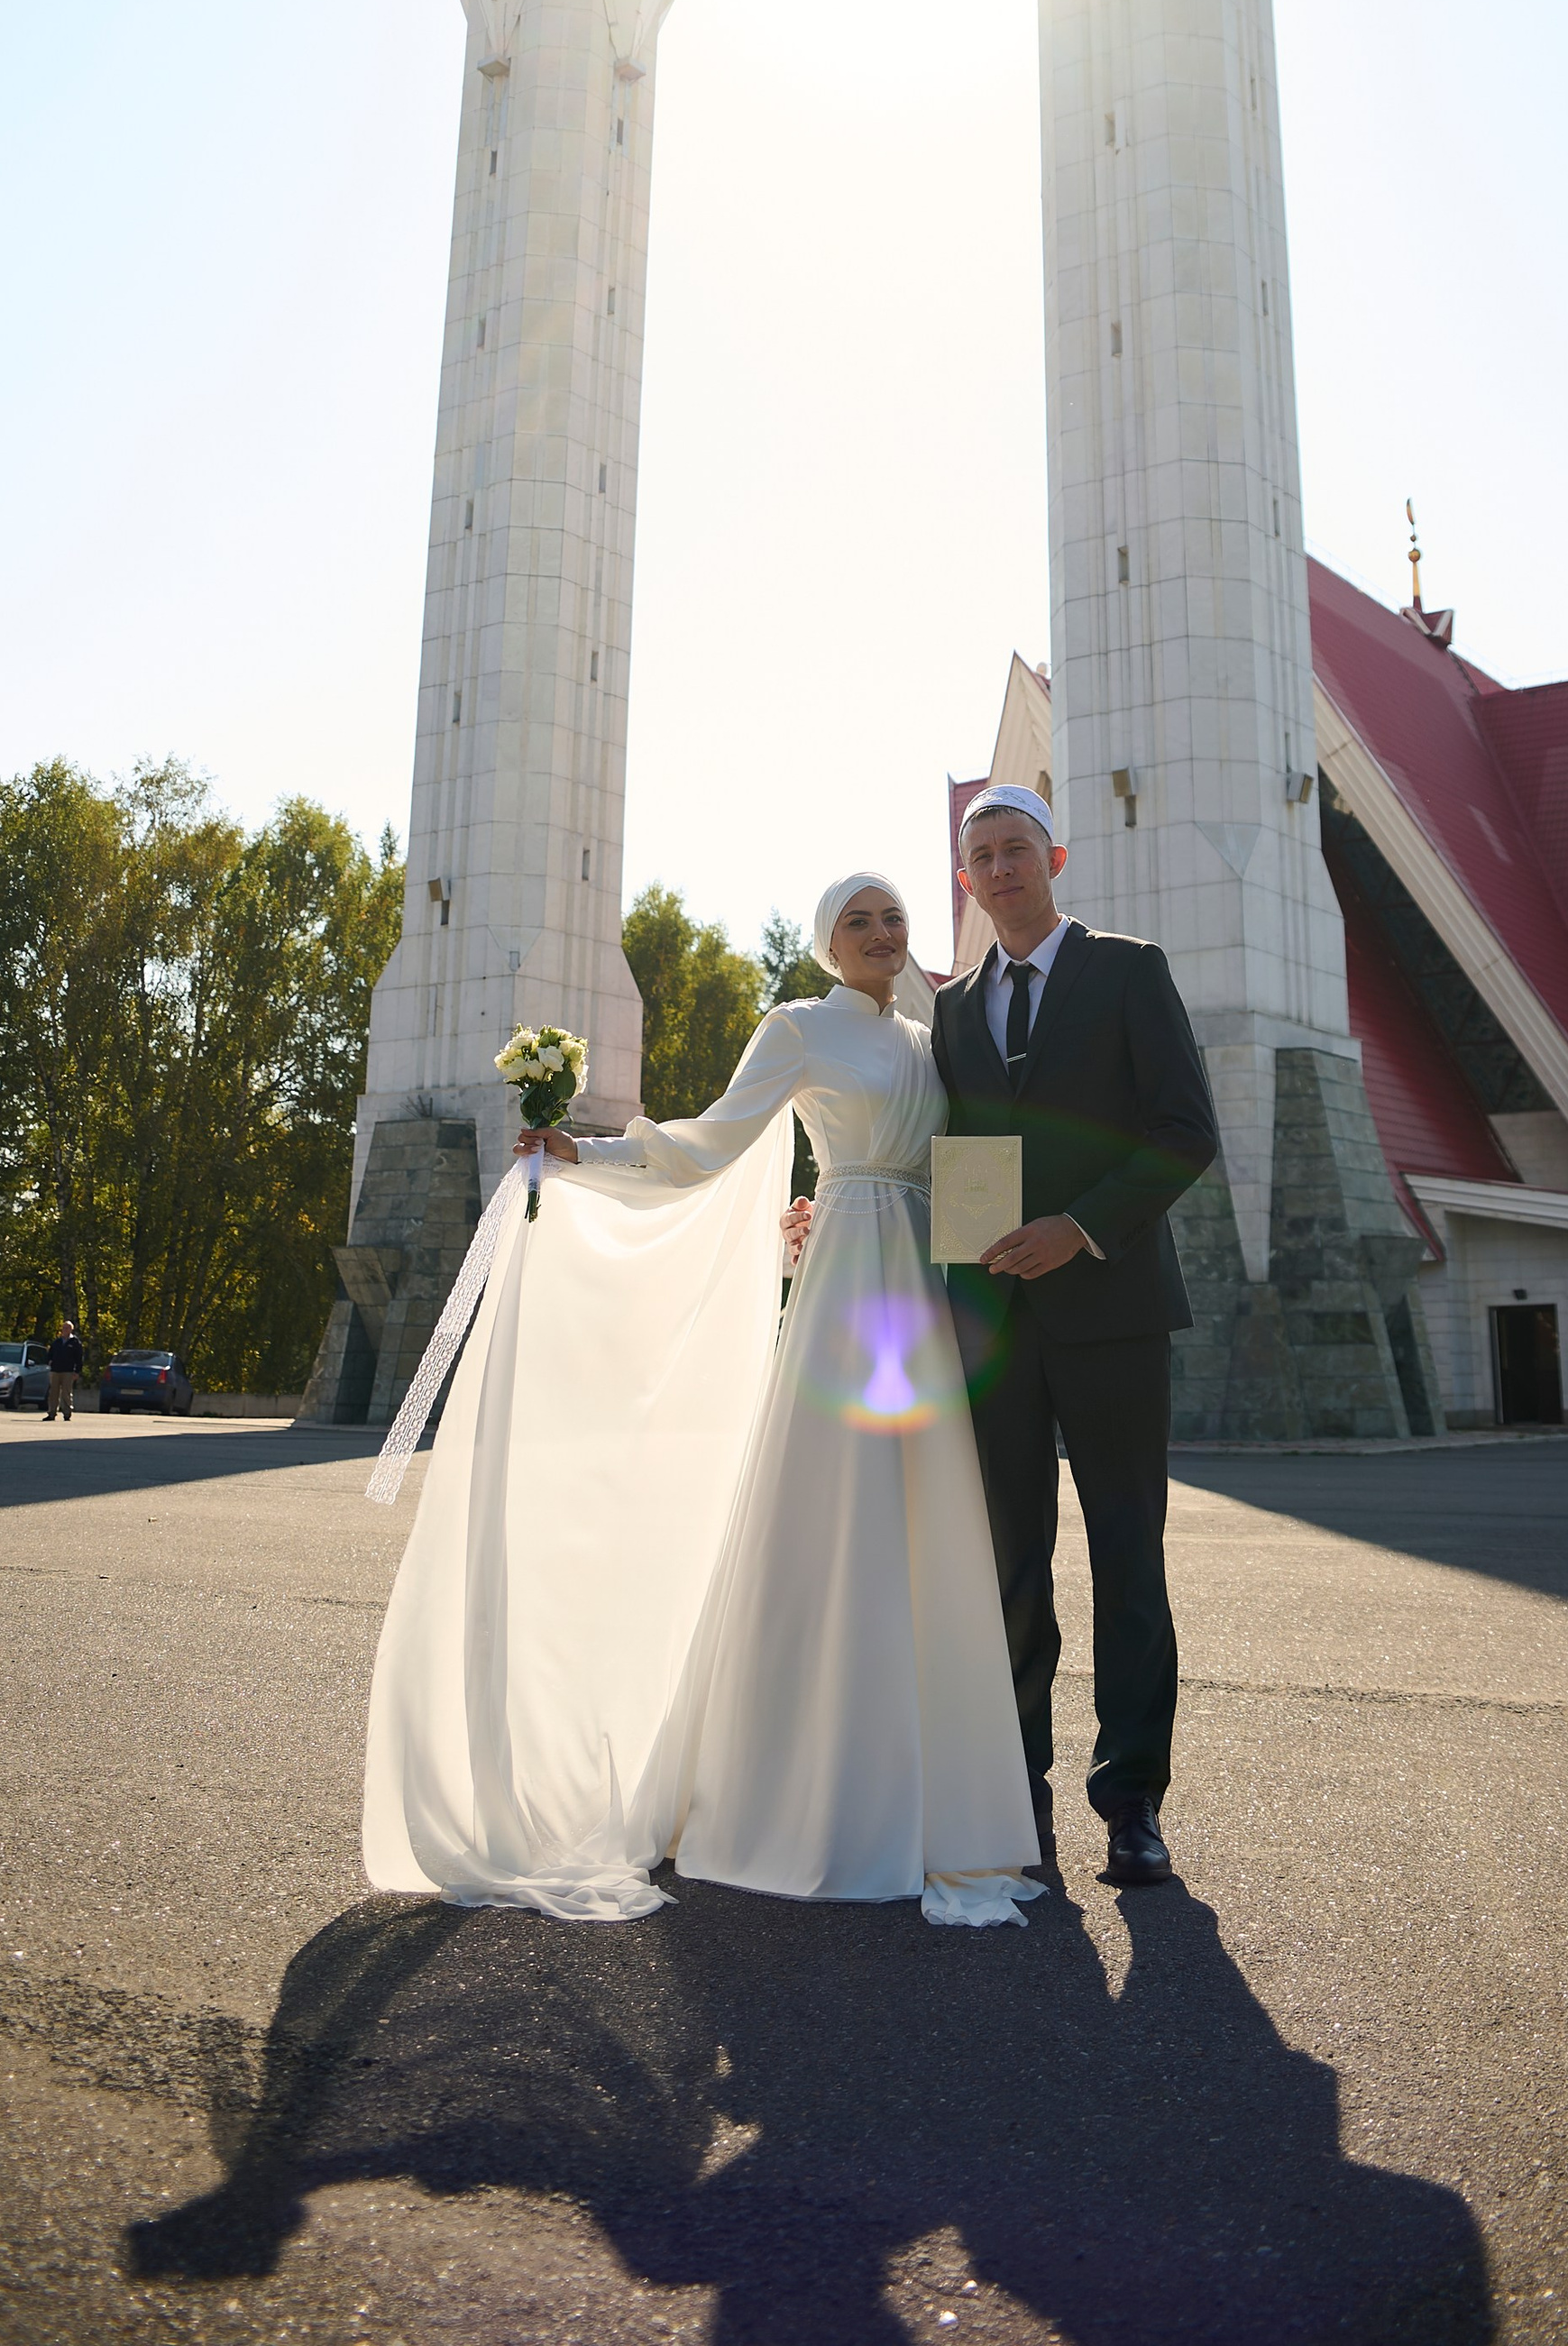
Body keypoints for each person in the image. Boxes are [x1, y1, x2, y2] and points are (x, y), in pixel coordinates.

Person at [362, 871, 1042, 1931]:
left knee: (928, 1531)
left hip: (924, 1284)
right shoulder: (799, 1026)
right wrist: (589, 1150)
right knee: (839, 1524)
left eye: (892, 915)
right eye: (856, 921)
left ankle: (926, 1798)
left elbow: (963, 1164)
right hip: (849, 1282)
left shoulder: (927, 1035)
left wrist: (996, 1267)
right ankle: (799, 1801)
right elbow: (714, 1138)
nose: (880, 931)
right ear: (827, 943)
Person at [932, 785, 1221, 1892]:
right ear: (967, 878)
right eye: (981, 856)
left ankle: (1133, 1802)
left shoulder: (1128, 969)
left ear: (1053, 856)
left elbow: (1183, 1129)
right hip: (996, 1330)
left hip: (1111, 1315)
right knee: (1011, 1567)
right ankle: (1020, 1795)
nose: (1001, 868)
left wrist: (1081, 1226)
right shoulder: (956, 1008)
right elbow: (954, 1157)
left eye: (1016, 849)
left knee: (1126, 1557)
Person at [45, 1319, 83, 1421]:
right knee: (53, 1392)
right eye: (63, 1328)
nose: (64, 1330)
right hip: (55, 1370)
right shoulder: (57, 1342)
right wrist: (49, 1361)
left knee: (66, 1393)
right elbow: (50, 1354)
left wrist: (77, 1371)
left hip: (68, 1371)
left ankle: (67, 1413)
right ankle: (51, 1413)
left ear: (71, 1330)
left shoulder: (75, 1342)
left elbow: (79, 1358)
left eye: (67, 1328)